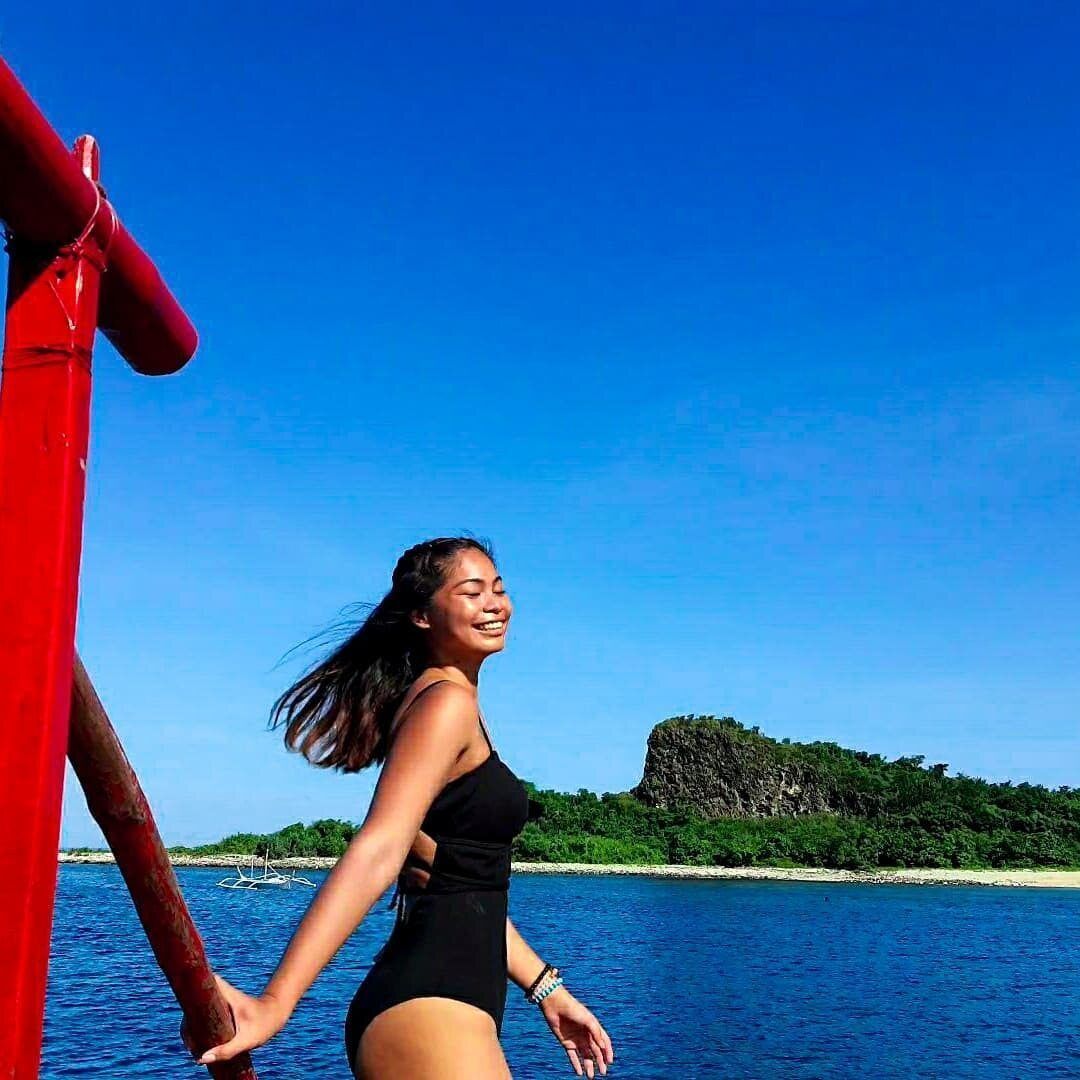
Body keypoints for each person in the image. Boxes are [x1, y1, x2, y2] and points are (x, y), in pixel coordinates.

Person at [187, 537, 615, 1078]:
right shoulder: (445, 705)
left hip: (448, 1003)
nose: (495, 604)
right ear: (420, 615)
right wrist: (276, 1002)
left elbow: (464, 889)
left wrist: (549, 990)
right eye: (471, 591)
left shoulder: (449, 704)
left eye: (500, 590)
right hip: (427, 1009)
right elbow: (378, 848)